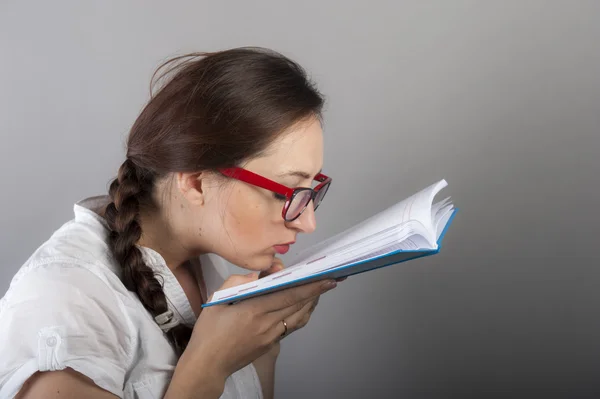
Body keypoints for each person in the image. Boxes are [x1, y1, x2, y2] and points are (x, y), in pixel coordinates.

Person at [0, 47, 341, 399]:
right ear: (195, 182)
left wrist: (265, 346)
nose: (308, 222)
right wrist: (208, 366)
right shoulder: (64, 301)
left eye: (311, 189)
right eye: (285, 192)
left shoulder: (215, 265)